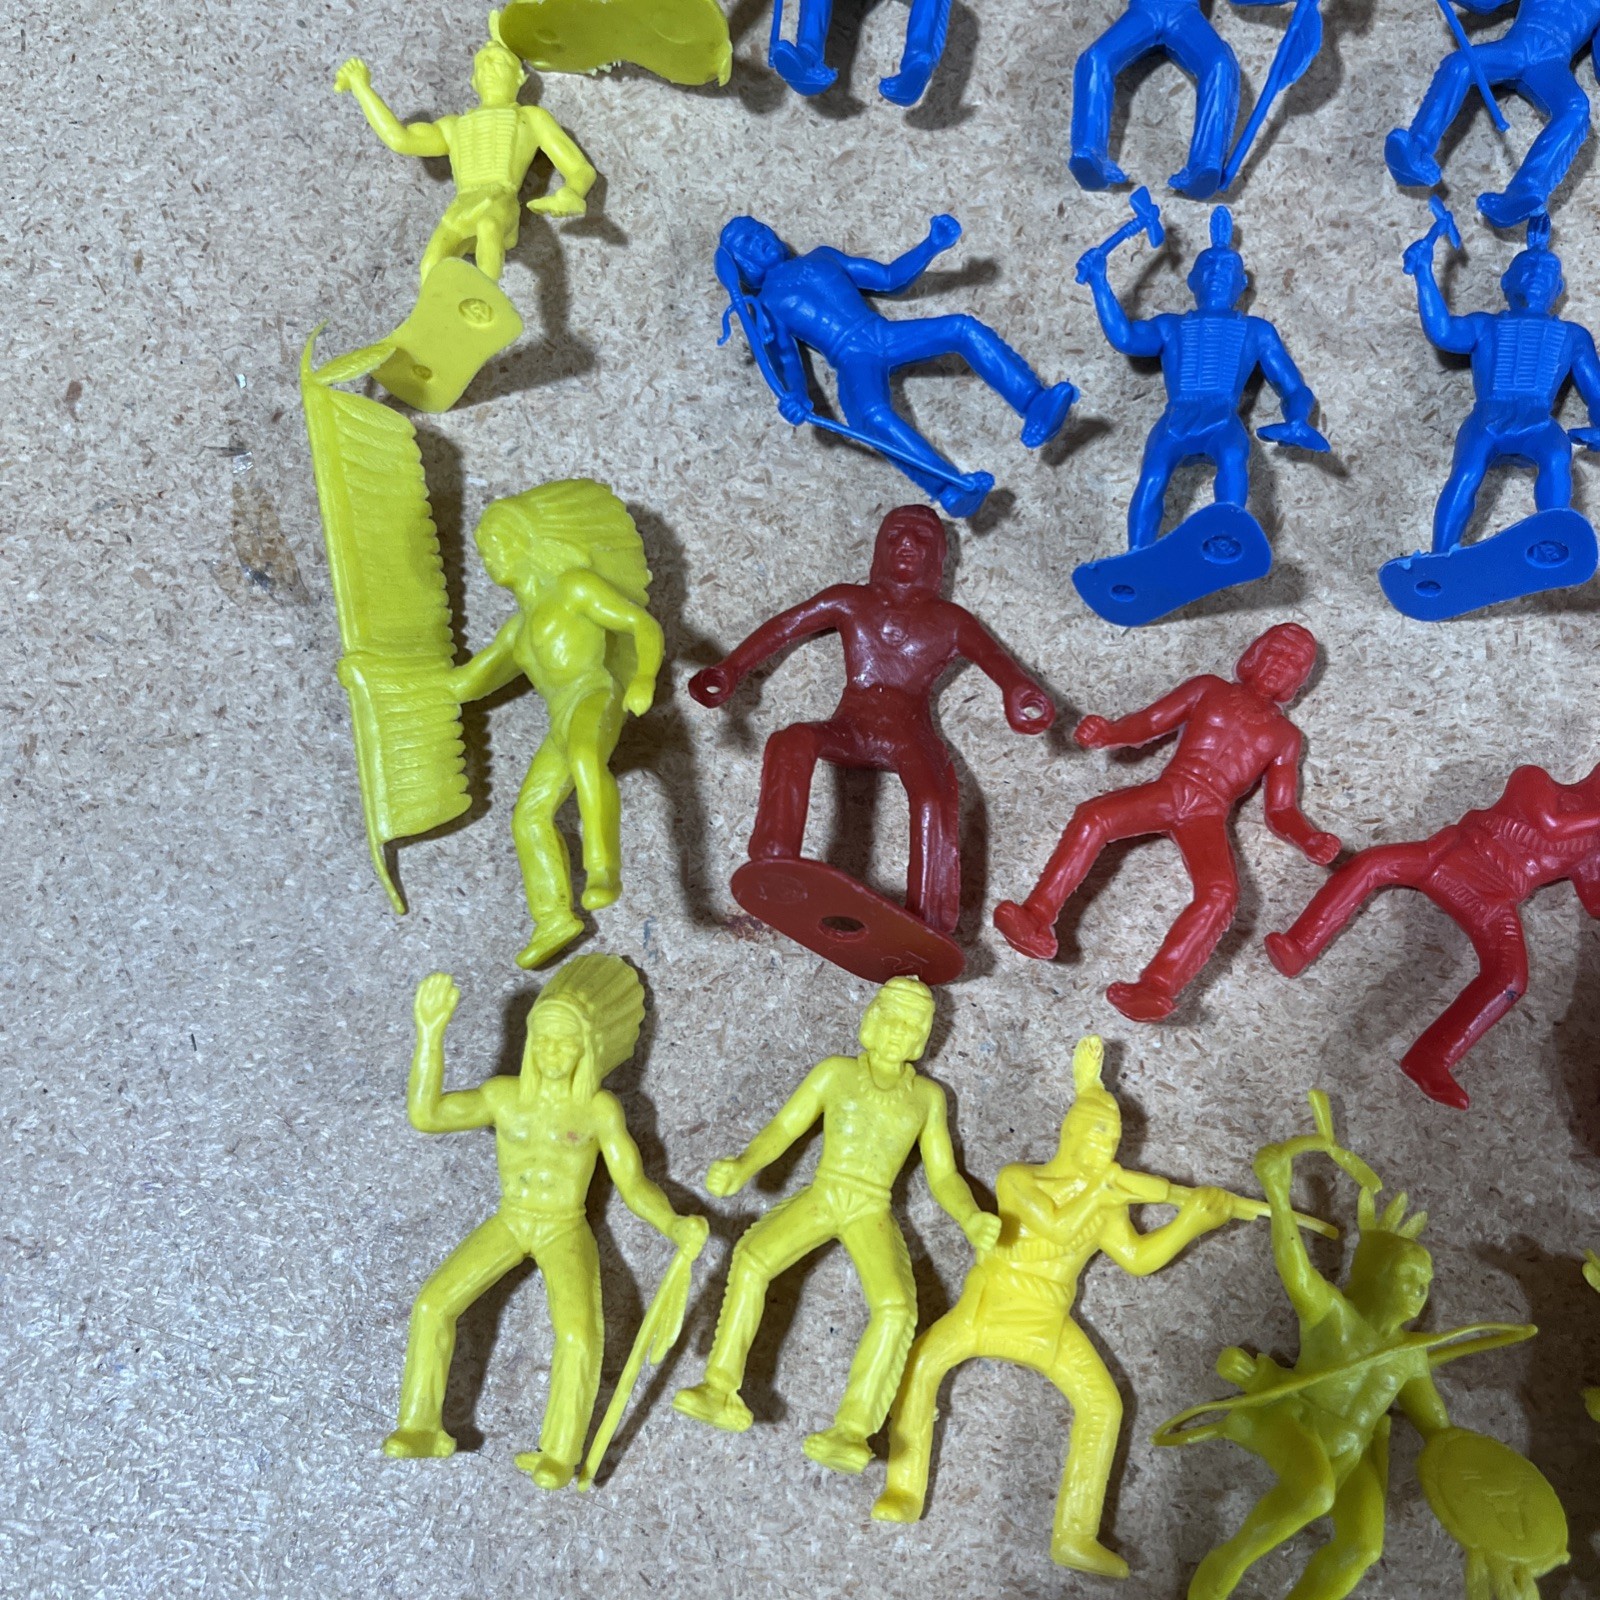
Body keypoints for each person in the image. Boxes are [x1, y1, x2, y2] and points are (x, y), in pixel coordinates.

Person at [874, 1037, 1239, 1575]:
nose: (1104, 1146)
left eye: (1112, 1139)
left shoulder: (1106, 1206)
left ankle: (1075, 1534)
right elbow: (1058, 1225)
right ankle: (903, 1487)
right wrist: (1107, 1188)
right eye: (1096, 1132)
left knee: (1103, 1406)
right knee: (921, 1364)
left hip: (1049, 1321)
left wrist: (1191, 1221)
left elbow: (1138, 1259)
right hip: (987, 1305)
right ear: (1068, 1131)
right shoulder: (1020, 1178)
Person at [383, 960, 708, 1487]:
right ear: (531, 1040)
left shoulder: (598, 1109)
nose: (554, 1054)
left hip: (564, 1226)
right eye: (545, 1041)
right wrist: (430, 1033)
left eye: (566, 1044)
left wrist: (673, 1225)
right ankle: (420, 1424)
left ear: (587, 1049)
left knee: (578, 1333)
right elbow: (428, 1116)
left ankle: (559, 1453)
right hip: (512, 1219)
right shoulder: (503, 1096)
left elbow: (633, 1185)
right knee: (432, 1304)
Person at [673, 978, 1000, 1473]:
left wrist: (971, 1217)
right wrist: (743, 1165)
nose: (897, 1032)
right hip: (825, 1194)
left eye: (910, 1026)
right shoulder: (835, 1073)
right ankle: (719, 1385)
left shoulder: (927, 1098)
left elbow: (944, 1175)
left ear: (921, 1038)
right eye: (891, 1019)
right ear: (872, 1019)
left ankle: (852, 1429)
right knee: (754, 1258)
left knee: (896, 1308)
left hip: (871, 1209)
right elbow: (785, 1127)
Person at [690, 505, 1053, 935]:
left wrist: (1018, 691)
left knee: (934, 796)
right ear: (879, 547)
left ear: (937, 556)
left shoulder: (951, 621)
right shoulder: (851, 600)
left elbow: (1000, 665)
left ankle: (930, 919)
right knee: (792, 740)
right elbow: (786, 626)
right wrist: (731, 668)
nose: (907, 544)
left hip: (910, 735)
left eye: (921, 538)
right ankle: (775, 856)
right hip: (851, 728)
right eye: (896, 534)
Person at [995, 623, 1339, 1020]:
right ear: (1254, 654)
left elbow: (1280, 811)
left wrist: (1309, 838)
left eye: (1292, 663)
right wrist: (1110, 733)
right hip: (1171, 790)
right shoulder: (1209, 688)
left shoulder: (1285, 737)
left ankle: (1157, 986)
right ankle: (1036, 915)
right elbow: (1150, 722)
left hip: (1208, 815)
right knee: (1095, 815)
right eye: (1275, 653)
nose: (1279, 665)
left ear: (1298, 680)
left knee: (1222, 893)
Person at [1267, 761, 1600, 1106]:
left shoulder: (1592, 846)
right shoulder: (1536, 780)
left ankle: (1431, 1058)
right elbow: (1551, 825)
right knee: (1372, 863)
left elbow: (1594, 901)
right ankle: (1299, 946)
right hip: (1450, 856)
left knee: (1510, 977)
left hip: (1493, 898)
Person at [717, 214, 1077, 516]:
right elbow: (785, 357)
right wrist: (795, 396)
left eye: (759, 231)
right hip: (852, 359)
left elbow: (889, 278)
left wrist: (931, 245)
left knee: (962, 328)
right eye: (748, 242)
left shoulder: (822, 257)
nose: (760, 240)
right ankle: (949, 487)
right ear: (741, 264)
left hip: (883, 333)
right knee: (870, 415)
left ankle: (1034, 402)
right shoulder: (766, 305)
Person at [451, 481, 663, 969]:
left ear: (523, 542)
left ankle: (603, 867)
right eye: (483, 549)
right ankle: (552, 917)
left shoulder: (574, 588)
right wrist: (382, 679)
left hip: (594, 692)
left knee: (586, 757)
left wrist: (643, 679)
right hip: (559, 718)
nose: (488, 557)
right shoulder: (517, 630)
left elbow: (640, 624)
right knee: (528, 816)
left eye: (495, 543)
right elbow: (464, 686)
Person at [1077, 207, 1325, 552]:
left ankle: (1226, 537)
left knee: (1234, 459)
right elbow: (1126, 338)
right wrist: (1099, 283)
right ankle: (1137, 554)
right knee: (1151, 478)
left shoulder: (1256, 331)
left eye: (1227, 269)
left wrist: (1297, 419)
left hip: (1222, 417)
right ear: (1192, 281)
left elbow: (1293, 388)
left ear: (1241, 285)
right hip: (1176, 418)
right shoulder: (1171, 326)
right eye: (1207, 268)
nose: (1216, 275)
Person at [335, 22, 594, 283]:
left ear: (519, 78)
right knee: (430, 265)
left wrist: (573, 192)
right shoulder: (454, 126)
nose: (490, 69)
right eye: (483, 65)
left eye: (500, 63)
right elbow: (400, 139)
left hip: (500, 200)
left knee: (488, 226)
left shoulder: (530, 118)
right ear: (474, 81)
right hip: (462, 204)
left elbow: (579, 169)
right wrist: (361, 87)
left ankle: (486, 298)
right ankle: (438, 307)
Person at [1385, 0, 1600, 227]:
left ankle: (1525, 191)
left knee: (1576, 108)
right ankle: (1416, 148)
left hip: (1551, 64)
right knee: (1460, 63)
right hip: (1516, 49)